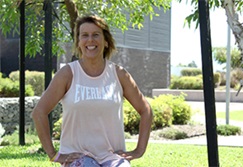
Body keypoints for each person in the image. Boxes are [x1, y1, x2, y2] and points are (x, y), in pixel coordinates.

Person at [32, 14, 153, 167]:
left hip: (112, 156)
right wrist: (53, 154)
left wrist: (139, 150)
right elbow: (39, 112)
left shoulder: (119, 74)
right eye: (84, 35)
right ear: (78, 42)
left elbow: (145, 110)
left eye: (96, 35)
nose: (90, 40)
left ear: (106, 41)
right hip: (78, 157)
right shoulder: (68, 74)